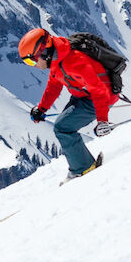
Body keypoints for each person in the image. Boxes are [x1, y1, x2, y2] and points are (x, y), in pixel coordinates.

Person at [18, 28, 119, 179]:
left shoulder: (74, 62)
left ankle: (83, 169)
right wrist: (41, 109)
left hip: (100, 97)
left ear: (43, 52)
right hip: (83, 95)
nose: (33, 65)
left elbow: (99, 90)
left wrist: (102, 120)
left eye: (31, 60)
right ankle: (82, 165)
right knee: (64, 125)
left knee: (62, 127)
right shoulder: (56, 60)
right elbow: (54, 85)